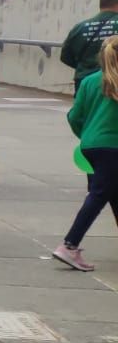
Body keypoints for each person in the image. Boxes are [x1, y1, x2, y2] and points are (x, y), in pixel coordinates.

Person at [53, 36, 118, 271]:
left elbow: (74, 116)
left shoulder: (90, 81)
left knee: (110, 192)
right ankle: (69, 245)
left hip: (91, 146)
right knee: (99, 194)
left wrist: (86, 136)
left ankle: (70, 246)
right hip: (113, 145)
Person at [60, 0, 118, 84]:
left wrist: (84, 68)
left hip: (83, 80)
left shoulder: (79, 27)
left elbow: (65, 56)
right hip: (113, 82)